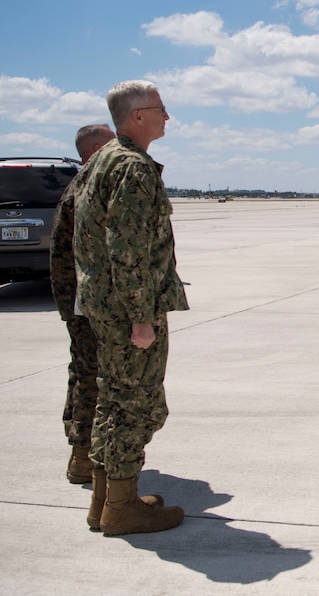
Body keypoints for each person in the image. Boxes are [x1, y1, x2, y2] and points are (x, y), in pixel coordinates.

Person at [73, 80, 189, 536]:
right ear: (137, 115)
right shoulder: (132, 167)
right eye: (161, 109)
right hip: (128, 309)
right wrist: (142, 317)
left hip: (104, 305)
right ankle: (121, 509)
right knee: (138, 406)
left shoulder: (101, 159)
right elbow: (129, 249)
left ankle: (106, 501)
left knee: (114, 400)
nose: (167, 116)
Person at [50, 124, 116, 485]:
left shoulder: (80, 185)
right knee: (92, 378)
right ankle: (85, 457)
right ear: (93, 150)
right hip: (89, 304)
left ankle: (81, 456)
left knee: (83, 373)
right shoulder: (89, 188)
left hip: (79, 302)